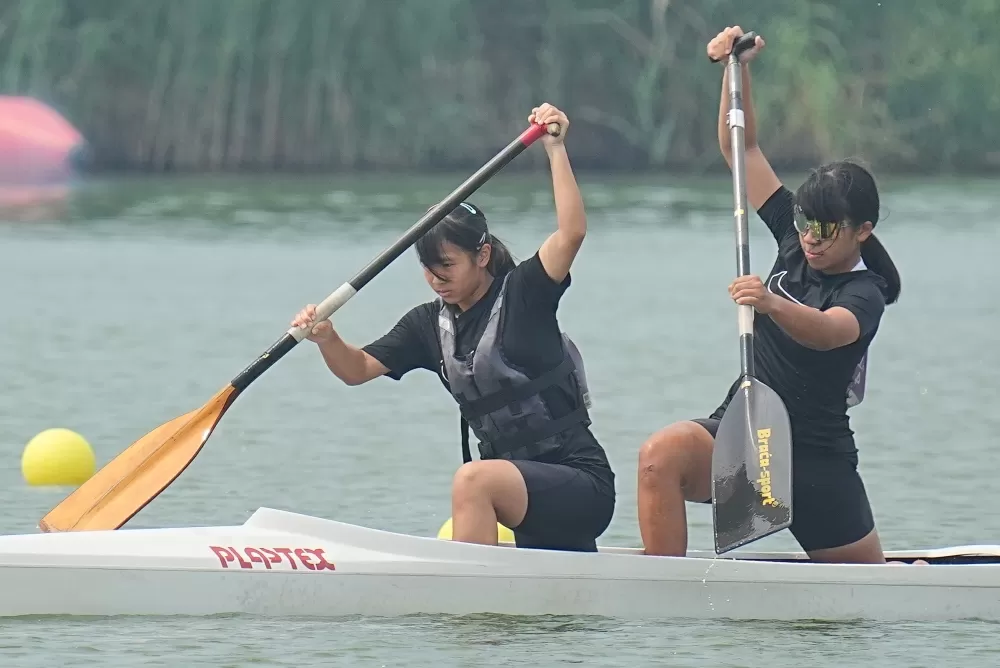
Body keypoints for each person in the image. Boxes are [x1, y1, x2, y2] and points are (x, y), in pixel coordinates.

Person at [291, 103, 615, 552]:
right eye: (427, 267)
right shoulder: (427, 325)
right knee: (478, 485)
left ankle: (472, 610)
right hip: (521, 498)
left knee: (473, 481)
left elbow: (572, 233)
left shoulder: (525, 293)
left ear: (481, 257)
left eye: (446, 265)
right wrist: (327, 338)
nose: (435, 278)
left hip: (581, 485)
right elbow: (356, 369)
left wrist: (555, 148)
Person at [635, 27, 904, 564]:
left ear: (862, 231)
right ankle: (663, 589)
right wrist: (736, 72)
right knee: (657, 458)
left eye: (826, 229)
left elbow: (830, 332)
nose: (809, 236)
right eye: (805, 221)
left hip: (814, 459)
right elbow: (743, 149)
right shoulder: (793, 238)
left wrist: (770, 303)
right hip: (746, 432)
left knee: (870, 588)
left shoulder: (864, 290)